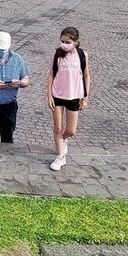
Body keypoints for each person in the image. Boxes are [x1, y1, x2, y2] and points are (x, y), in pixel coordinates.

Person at [47, 27, 91, 171]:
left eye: (67, 42)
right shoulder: (57, 55)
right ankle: (60, 156)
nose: (64, 44)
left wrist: (85, 97)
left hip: (74, 96)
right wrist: (49, 95)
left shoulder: (82, 55)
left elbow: (86, 75)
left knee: (71, 130)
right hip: (58, 94)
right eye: (62, 41)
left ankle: (62, 139)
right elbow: (51, 75)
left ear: (76, 42)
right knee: (58, 127)